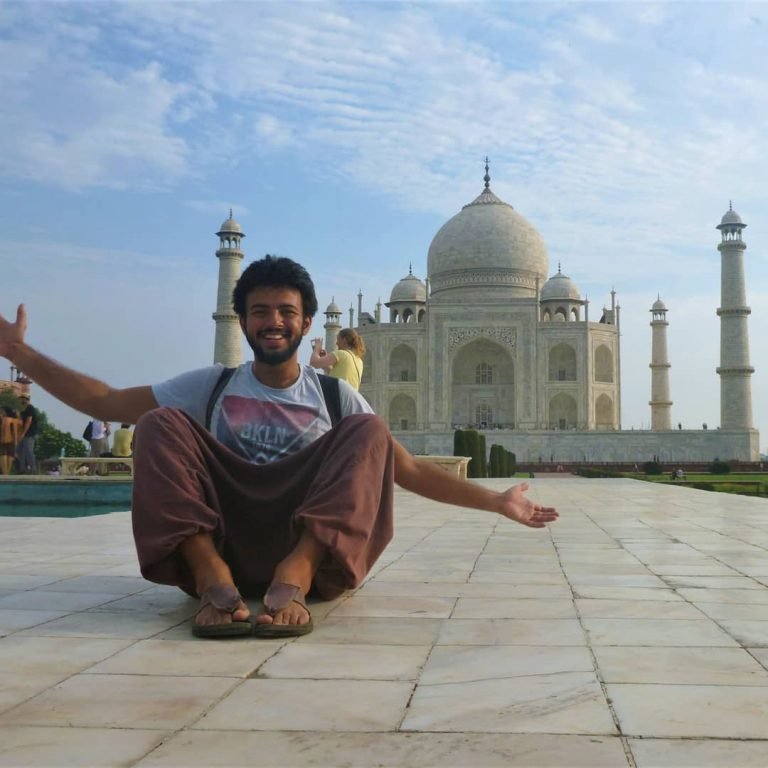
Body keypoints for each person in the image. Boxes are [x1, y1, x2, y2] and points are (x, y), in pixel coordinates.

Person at [0, 254, 557, 639]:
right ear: (241, 320)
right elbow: (105, 400)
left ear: (307, 323)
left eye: (286, 312)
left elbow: (404, 468)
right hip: (225, 544)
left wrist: (496, 501)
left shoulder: (335, 396)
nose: (274, 322)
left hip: (306, 548)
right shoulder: (210, 386)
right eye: (261, 311)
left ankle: (297, 573)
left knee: (371, 432)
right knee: (160, 422)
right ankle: (210, 576)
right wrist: (21, 356)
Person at [16, 393, 39, 474]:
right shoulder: (23, 409)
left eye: (23, 399)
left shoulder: (30, 408)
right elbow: (20, 422)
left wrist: (23, 433)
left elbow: (28, 422)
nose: (21, 400)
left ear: (26, 399)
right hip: (23, 433)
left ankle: (33, 470)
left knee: (28, 451)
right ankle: (21, 469)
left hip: (30, 433)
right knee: (19, 451)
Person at [0, 405, 21, 475]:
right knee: (9, 456)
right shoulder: (14, 420)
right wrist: (18, 415)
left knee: (3, 455)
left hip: (2, 441)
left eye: (2, 411)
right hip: (11, 441)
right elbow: (16, 432)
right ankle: (6, 474)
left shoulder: (2, 419)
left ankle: (5, 473)